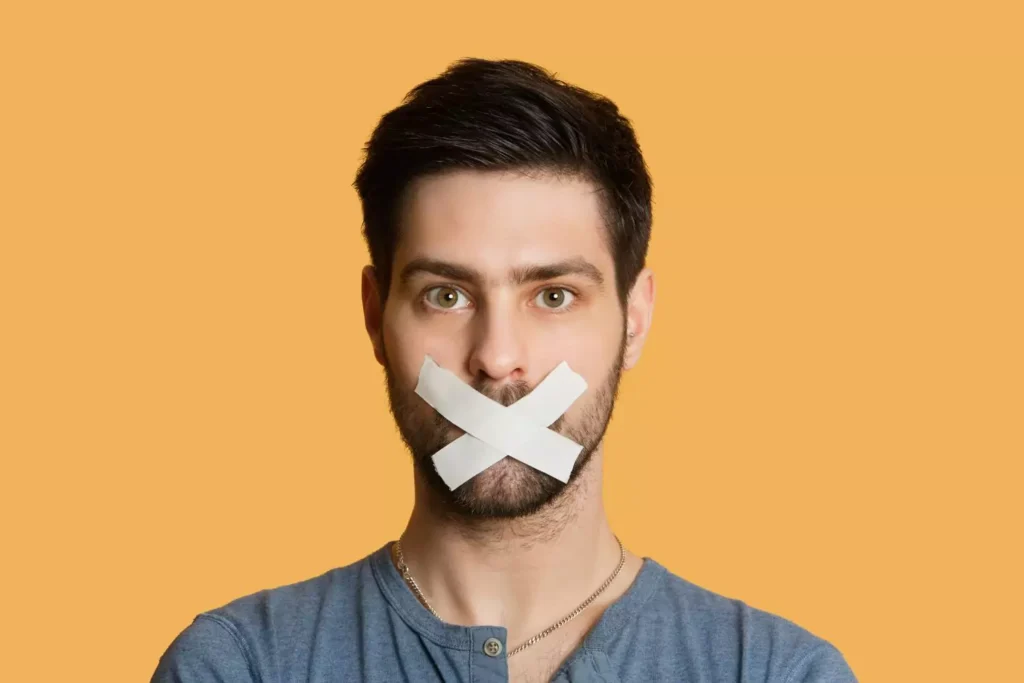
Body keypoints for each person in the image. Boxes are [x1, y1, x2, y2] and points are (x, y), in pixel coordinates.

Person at [151, 58, 856, 683]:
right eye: (446, 295)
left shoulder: (776, 671)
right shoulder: (242, 665)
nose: (496, 356)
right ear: (375, 316)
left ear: (633, 319)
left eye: (553, 295)